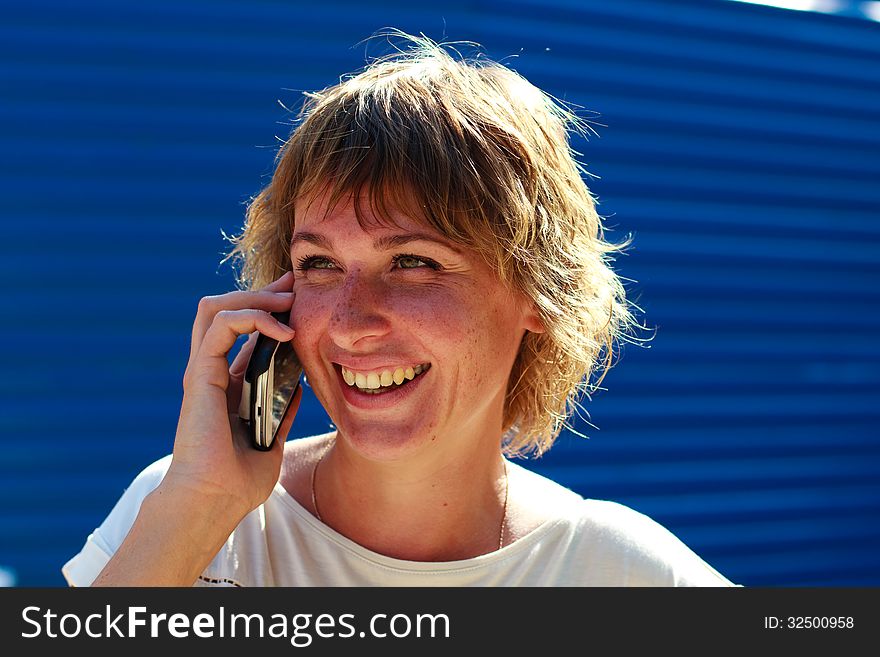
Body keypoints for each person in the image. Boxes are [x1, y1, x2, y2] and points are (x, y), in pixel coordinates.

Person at [63, 32, 736, 587]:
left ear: (538, 292)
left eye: (413, 261)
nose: (352, 321)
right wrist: (199, 507)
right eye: (319, 263)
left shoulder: (624, 574)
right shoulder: (189, 515)